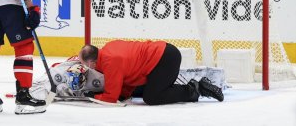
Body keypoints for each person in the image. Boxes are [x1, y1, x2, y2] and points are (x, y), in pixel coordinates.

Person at [78, 40, 224, 105]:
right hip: (163, 55)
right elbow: (127, 79)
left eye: (85, 64)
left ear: (92, 63)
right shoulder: (108, 48)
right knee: (137, 92)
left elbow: (111, 97)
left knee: (152, 97)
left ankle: (196, 88)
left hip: (164, 60)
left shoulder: (110, 62)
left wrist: (92, 95)